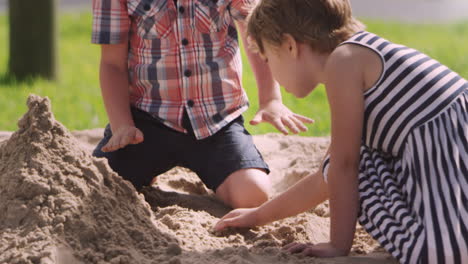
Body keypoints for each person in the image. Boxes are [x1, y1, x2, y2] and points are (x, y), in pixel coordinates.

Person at [214, 0, 468, 263]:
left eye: (267, 59)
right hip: (453, 161)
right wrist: (258, 215)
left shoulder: (342, 63)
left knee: (355, 161)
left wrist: (338, 245)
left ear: (289, 45)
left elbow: (343, 166)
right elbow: (326, 176)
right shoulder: (361, 52)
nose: (272, 73)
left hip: (449, 182)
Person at [90, 0, 314, 209]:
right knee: (100, 187)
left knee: (252, 194)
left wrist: (270, 99)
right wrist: (122, 125)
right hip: (146, 122)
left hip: (216, 122)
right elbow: (112, 64)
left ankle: (216, 174)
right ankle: (146, 167)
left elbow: (256, 34)